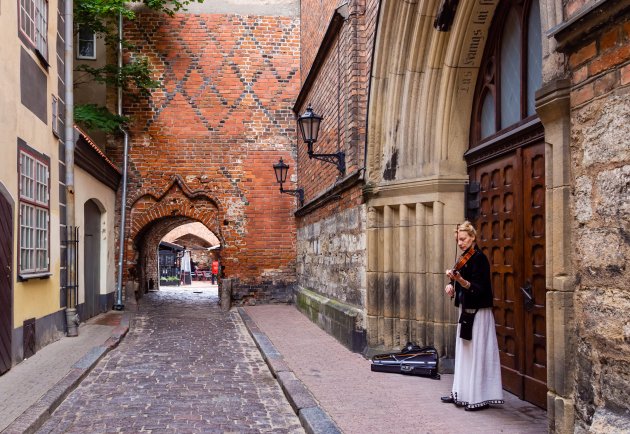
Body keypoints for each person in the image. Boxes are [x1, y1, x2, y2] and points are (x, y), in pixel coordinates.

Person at [441, 221, 504, 411]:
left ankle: (477, 397)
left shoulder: (480, 259)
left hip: (479, 312)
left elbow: (479, 288)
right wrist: (452, 287)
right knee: (464, 352)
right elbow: (462, 287)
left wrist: (460, 280)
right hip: (466, 310)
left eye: (463, 239)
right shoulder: (464, 259)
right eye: (458, 240)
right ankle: (460, 392)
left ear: (472, 238)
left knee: (476, 352)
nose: (460, 243)